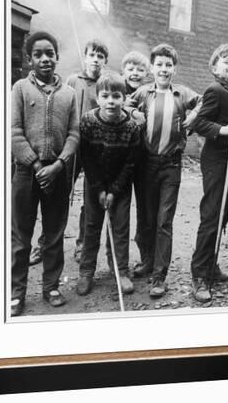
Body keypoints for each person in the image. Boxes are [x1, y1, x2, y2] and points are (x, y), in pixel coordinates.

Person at [10, 31, 79, 316]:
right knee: (21, 236)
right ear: (29, 59)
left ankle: (51, 286)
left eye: (49, 53)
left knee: (53, 234)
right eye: (38, 54)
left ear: (57, 57)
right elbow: (13, 132)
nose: (45, 59)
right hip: (27, 174)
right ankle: (16, 292)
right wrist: (36, 165)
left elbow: (74, 134)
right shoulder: (20, 89)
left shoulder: (69, 94)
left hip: (58, 174)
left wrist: (59, 164)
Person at [126, 44, 201, 298]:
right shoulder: (143, 92)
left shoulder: (182, 93)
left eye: (168, 65)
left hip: (171, 164)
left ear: (174, 69)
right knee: (146, 218)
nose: (164, 69)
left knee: (163, 221)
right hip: (146, 163)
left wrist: (194, 117)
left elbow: (204, 102)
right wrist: (134, 112)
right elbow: (124, 103)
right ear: (152, 67)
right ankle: (147, 261)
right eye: (159, 64)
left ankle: (159, 276)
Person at [28, 39, 109, 266]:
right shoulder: (73, 80)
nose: (95, 60)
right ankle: (45, 243)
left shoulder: (105, 83)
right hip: (71, 146)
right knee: (59, 196)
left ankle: (82, 245)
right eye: (92, 55)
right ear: (85, 57)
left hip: (95, 149)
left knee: (90, 199)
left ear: (105, 62)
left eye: (100, 57)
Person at [190, 44, 228, 303]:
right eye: (226, 61)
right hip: (216, 162)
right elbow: (198, 123)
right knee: (212, 216)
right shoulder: (214, 90)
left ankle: (212, 264)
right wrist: (222, 130)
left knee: (222, 214)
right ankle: (200, 275)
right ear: (214, 67)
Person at [76, 73, 141, 296]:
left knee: (120, 228)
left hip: (120, 186)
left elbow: (130, 164)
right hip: (95, 183)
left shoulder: (132, 128)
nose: (111, 101)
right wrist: (99, 189)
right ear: (97, 98)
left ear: (124, 98)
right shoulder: (87, 121)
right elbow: (87, 159)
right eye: (105, 96)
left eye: (116, 96)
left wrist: (114, 190)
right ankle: (86, 271)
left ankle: (120, 270)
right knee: (91, 226)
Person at [120, 51, 150, 271]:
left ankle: (145, 256)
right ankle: (84, 245)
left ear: (146, 73)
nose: (135, 73)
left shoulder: (149, 93)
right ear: (124, 71)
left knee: (144, 209)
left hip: (142, 160)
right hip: (119, 160)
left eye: (140, 69)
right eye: (131, 69)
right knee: (116, 209)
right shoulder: (115, 90)